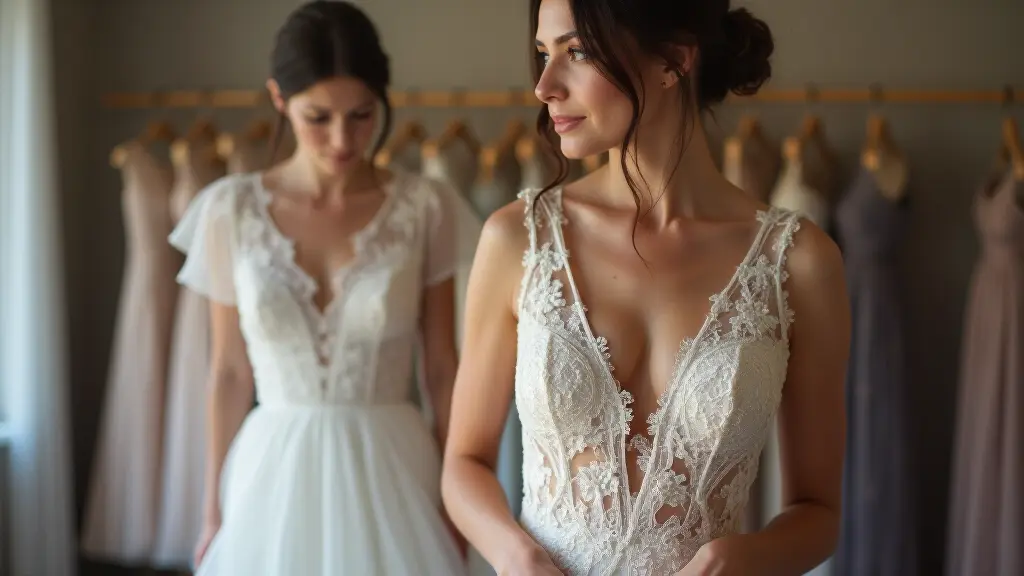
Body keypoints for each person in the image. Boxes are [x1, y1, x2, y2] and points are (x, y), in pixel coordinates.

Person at [441, 0, 851, 574]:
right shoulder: (518, 239)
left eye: (576, 51)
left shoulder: (800, 262)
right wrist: (519, 557)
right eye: (543, 53)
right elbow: (463, 463)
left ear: (673, 61)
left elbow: (819, 512)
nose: (543, 86)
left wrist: (741, 557)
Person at [169, 2, 469, 574]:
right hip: (270, 471)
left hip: (397, 469)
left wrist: (455, 502)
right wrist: (211, 509)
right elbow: (229, 372)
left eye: (361, 115)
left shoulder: (426, 207)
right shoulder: (229, 210)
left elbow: (441, 368)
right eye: (318, 116)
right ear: (279, 98)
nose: (341, 138)